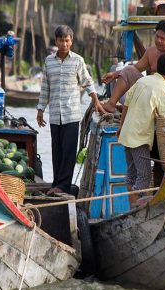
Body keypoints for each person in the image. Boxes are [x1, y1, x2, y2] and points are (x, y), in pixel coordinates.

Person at [36, 25, 106, 195]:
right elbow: (45, 87)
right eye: (61, 40)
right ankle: (56, 183)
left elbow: (88, 82)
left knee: (68, 151)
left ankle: (63, 185)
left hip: (72, 114)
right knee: (56, 150)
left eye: (67, 40)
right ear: (56, 41)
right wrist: (40, 110)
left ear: (71, 42)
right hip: (55, 115)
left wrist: (96, 101)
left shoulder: (77, 61)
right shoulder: (48, 61)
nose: (64, 44)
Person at [117, 53, 165, 208]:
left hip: (127, 135)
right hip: (139, 138)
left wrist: (120, 126)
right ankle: (137, 209)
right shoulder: (162, 89)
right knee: (144, 175)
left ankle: (131, 209)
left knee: (131, 175)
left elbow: (126, 104)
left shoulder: (142, 80)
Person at [102, 20, 165, 113]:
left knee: (144, 84)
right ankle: (111, 104)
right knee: (128, 70)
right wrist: (114, 74)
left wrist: (142, 84)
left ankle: (128, 108)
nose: (158, 41)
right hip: (149, 90)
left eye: (163, 38)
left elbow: (160, 84)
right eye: (157, 36)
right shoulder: (152, 51)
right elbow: (136, 68)